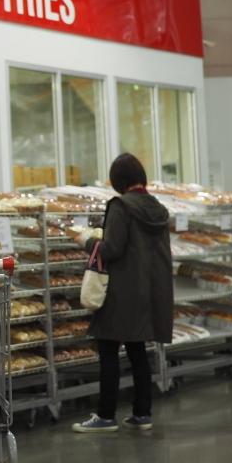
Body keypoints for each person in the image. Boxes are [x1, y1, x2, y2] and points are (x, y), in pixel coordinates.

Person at [72, 153, 172, 433]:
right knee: (138, 350)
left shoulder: (121, 206)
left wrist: (86, 241)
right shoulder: (158, 209)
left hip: (121, 290)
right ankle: (142, 413)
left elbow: (112, 248)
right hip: (150, 290)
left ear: (118, 180)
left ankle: (106, 416)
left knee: (108, 349)